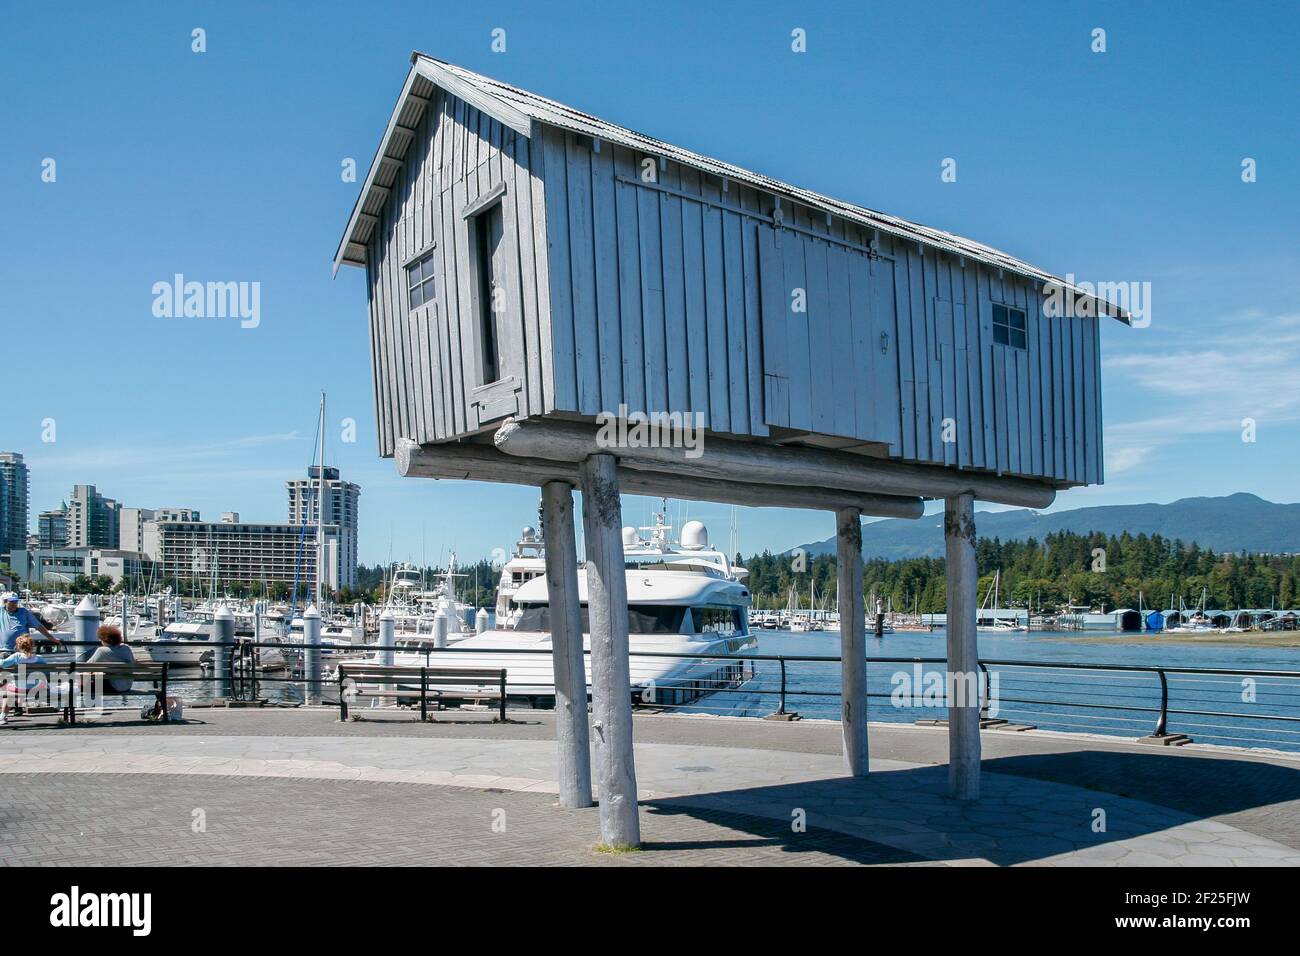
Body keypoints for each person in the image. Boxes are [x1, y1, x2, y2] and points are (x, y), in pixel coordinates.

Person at [0, 634, 49, 724]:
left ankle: (3, 717)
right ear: (32, 646)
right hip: (35, 687)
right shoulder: (39, 658)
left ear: (18, 646)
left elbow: (2, 664)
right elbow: (47, 671)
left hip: (19, 687)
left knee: (8, 692)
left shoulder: (16, 656)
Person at [88, 624, 136, 696]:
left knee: (83, 686)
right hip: (127, 686)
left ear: (104, 639)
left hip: (113, 686)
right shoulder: (126, 648)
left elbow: (87, 666)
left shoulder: (102, 651)